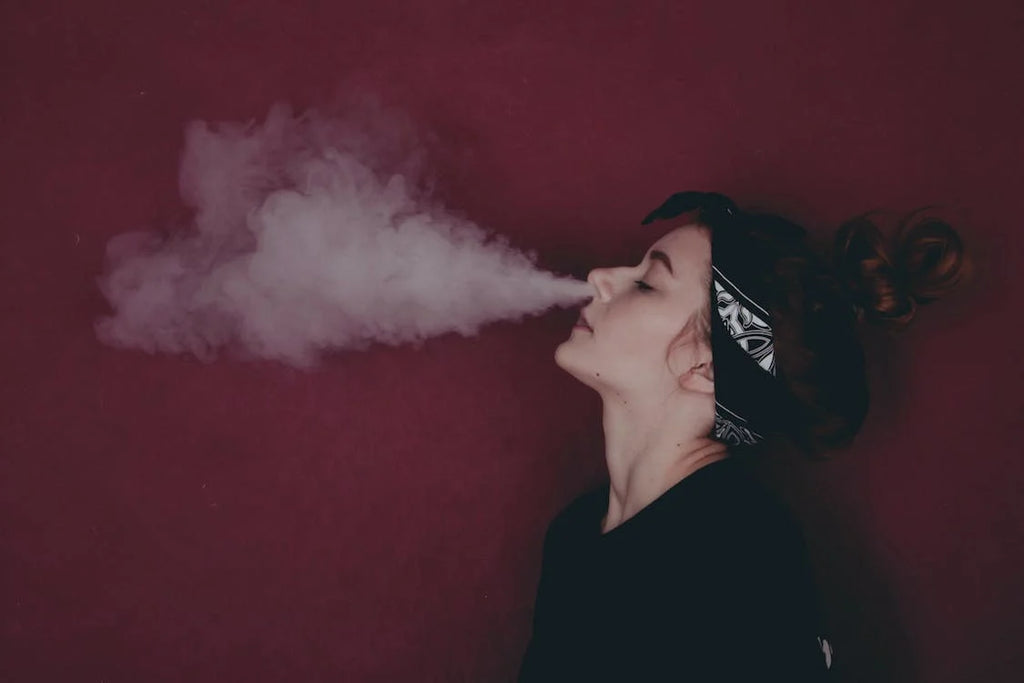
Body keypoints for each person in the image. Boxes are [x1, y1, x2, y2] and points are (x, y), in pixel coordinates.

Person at [517, 191, 969, 681]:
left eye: (646, 283)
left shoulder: (744, 551)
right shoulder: (574, 534)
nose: (599, 278)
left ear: (706, 366)